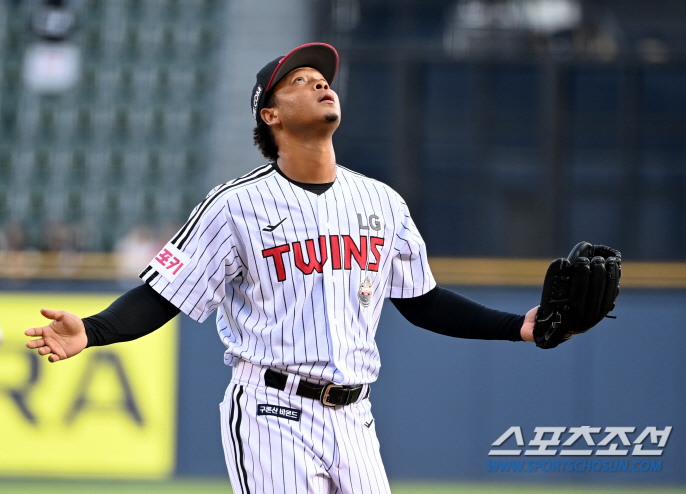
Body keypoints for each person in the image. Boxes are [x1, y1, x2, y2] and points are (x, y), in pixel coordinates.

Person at [25, 43, 538, 494]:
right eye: (299, 81)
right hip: (273, 412)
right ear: (269, 116)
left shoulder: (382, 202)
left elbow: (422, 300)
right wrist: (91, 332)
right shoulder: (234, 205)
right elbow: (165, 294)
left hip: (356, 416)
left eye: (322, 79)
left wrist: (517, 327)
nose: (319, 83)